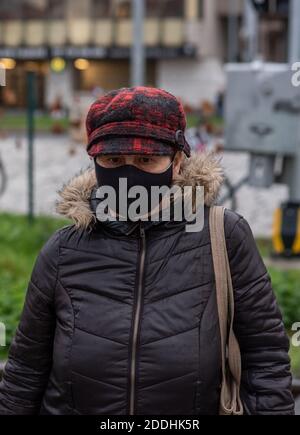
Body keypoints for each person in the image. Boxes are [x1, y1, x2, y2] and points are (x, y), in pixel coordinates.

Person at [0, 87, 295, 415]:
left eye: (146, 160)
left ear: (177, 161)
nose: (128, 173)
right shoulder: (63, 251)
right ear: (95, 163)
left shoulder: (224, 239)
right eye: (113, 160)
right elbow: (25, 374)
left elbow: (266, 362)